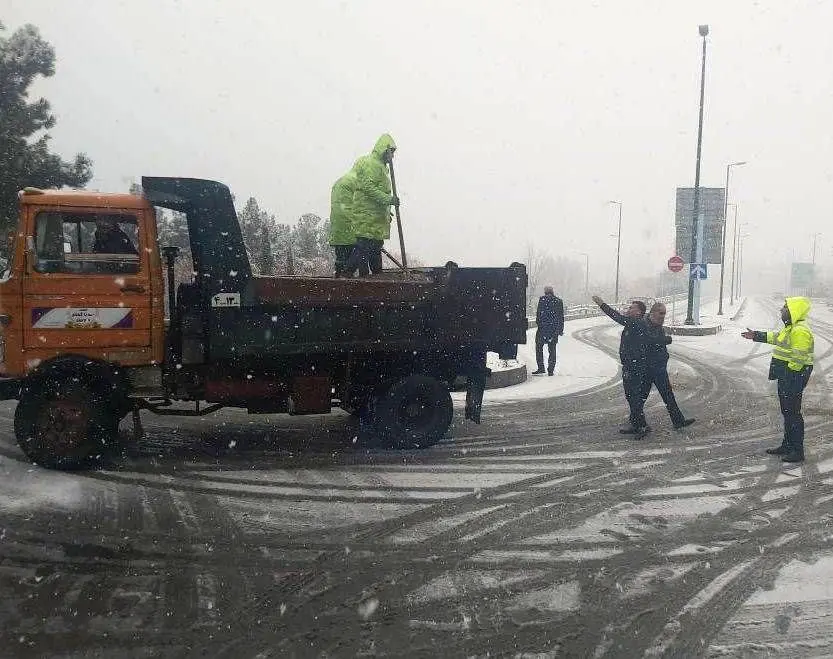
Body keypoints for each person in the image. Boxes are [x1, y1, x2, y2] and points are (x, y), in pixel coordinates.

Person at [741, 297, 814, 463]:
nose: (781, 310)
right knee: (787, 413)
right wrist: (756, 335)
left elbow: (799, 359)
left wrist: (789, 376)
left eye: (785, 307)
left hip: (793, 377)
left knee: (793, 413)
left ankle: (797, 450)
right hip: (788, 377)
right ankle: (788, 445)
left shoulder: (800, 331)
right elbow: (776, 337)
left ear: (793, 311)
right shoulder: (791, 329)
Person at [592, 295, 650, 438]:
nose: (628, 309)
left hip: (634, 365)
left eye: (632, 308)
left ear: (638, 312)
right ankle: (638, 423)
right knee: (632, 396)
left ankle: (640, 425)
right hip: (633, 364)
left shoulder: (635, 323)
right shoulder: (636, 323)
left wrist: (602, 304)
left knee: (633, 395)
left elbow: (617, 317)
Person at [344, 134, 398, 277]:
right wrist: (389, 199)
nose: (392, 156)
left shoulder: (381, 167)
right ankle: (349, 274)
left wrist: (387, 211)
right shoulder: (371, 164)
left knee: (375, 246)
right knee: (364, 246)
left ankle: (376, 275)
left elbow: (378, 189)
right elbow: (368, 188)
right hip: (367, 215)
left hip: (376, 218)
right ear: (384, 150)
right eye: (391, 152)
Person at [642, 302, 696, 430]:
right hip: (648, 367)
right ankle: (636, 422)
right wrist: (665, 340)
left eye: (664, 313)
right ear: (653, 312)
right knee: (641, 396)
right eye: (661, 313)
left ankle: (678, 420)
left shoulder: (658, 325)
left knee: (668, 396)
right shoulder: (645, 325)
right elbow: (649, 341)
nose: (663, 316)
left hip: (659, 368)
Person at [328, 170, 358, 277]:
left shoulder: (339, 182)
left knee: (341, 258)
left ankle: (338, 283)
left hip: (337, 228)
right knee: (354, 258)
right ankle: (346, 283)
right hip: (349, 227)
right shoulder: (356, 182)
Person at [532, 286, 564, 376]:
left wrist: (539, 323)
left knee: (539, 348)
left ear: (545, 291)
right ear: (552, 291)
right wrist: (560, 330)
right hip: (554, 329)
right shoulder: (558, 301)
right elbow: (561, 317)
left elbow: (538, 314)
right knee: (552, 349)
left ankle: (541, 367)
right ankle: (550, 370)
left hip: (542, 328)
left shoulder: (542, 300)